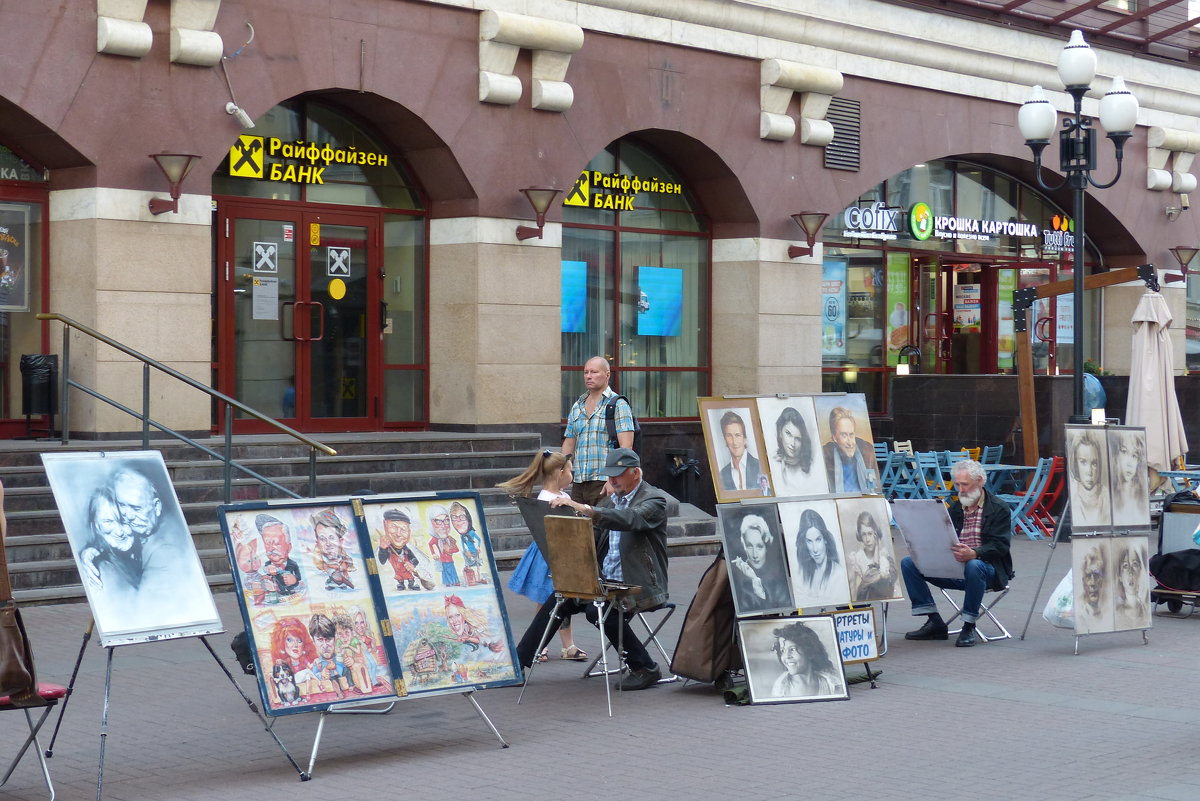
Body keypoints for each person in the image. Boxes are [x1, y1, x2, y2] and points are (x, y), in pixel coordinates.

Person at [516, 448, 669, 691]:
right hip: (605, 582)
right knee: (559, 599)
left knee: (598, 611)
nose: (612, 480)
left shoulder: (654, 500)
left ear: (636, 473)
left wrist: (585, 508)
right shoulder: (610, 500)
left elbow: (630, 519)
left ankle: (645, 667)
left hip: (641, 584)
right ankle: (518, 664)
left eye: (618, 475)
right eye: (610, 475)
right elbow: (591, 537)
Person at [902, 459, 1013, 647]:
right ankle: (934, 620)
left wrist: (975, 553)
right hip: (954, 566)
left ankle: (969, 625)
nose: (960, 490)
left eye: (965, 484)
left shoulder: (998, 508)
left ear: (979, 481)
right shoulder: (956, 507)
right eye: (958, 484)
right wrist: (923, 546)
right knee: (909, 562)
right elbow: (944, 537)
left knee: (974, 565)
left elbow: (1001, 545)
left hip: (987, 569)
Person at [498, 450, 588, 662]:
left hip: (562, 553)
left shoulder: (563, 497)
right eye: (571, 472)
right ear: (561, 473)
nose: (573, 476)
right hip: (549, 554)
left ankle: (565, 645)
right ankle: (540, 644)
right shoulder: (547, 499)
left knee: (559, 600)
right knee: (548, 601)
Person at [562, 356, 635, 506]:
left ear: (607, 374)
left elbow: (626, 447)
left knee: (602, 528)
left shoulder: (618, 404)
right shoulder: (578, 406)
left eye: (594, 372)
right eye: (586, 372)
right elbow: (569, 444)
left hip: (604, 482)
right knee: (580, 528)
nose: (588, 376)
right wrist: (562, 472)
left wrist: (613, 480)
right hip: (579, 482)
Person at [728, 511, 791, 613]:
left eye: (759, 546)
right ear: (744, 545)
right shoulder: (736, 573)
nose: (755, 555)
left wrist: (755, 580)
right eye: (749, 546)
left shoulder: (777, 576)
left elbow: (772, 607)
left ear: (766, 546)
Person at [768, 620, 845, 698]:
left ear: (810, 652)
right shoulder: (781, 688)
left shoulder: (832, 684)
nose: (787, 656)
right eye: (782, 651)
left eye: (792, 649)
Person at [791, 508, 847, 604]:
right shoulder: (802, 574)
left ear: (825, 539)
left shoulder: (838, 575)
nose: (815, 549)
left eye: (818, 539)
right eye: (809, 541)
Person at [822, 406, 879, 493]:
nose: (850, 442)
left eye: (851, 435)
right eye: (844, 435)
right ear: (834, 438)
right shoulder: (826, 457)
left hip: (863, 502)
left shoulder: (867, 453)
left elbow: (875, 488)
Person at [770, 406, 822, 496]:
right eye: (788, 434)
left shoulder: (812, 467)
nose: (793, 444)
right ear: (780, 432)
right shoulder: (773, 463)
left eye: (797, 439)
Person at [847, 510, 898, 602]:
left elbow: (892, 580)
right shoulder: (857, 560)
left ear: (876, 534)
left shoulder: (885, 557)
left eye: (870, 534)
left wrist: (878, 552)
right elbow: (857, 593)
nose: (867, 540)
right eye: (864, 534)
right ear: (859, 536)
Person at [1069, 429, 1110, 528]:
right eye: (1083, 462)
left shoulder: (1107, 497)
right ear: (1075, 463)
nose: (1090, 471)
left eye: (1094, 463)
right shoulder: (1073, 496)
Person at [258, 514, 304, 599]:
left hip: (292, 595)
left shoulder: (292, 564)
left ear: (289, 547)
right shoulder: (268, 564)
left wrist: (294, 579)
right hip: (275, 596)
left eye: (276, 543)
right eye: (267, 544)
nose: (271, 548)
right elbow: (264, 571)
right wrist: (267, 572)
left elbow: (299, 577)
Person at [377, 508, 424, 591]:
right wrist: (382, 548)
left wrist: (411, 564)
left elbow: (415, 559)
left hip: (406, 570)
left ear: (409, 532)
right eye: (393, 527)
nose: (398, 534)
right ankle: (401, 584)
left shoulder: (406, 550)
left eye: (403, 529)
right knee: (399, 577)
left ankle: (411, 584)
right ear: (385, 526)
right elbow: (382, 561)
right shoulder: (388, 549)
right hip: (398, 571)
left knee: (410, 576)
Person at [1109, 431, 1148, 528]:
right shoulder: (1107, 494)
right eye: (1124, 452)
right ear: (1116, 455)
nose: (1129, 463)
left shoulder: (1139, 497)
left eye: (1134, 455)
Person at [718, 409, 763, 492]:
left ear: (744, 438)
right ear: (725, 439)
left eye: (737, 435)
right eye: (729, 436)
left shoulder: (760, 467)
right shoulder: (722, 475)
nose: (734, 442)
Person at [310, 508, 356, 591]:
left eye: (332, 538)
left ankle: (342, 585)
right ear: (317, 543)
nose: (328, 544)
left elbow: (348, 565)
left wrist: (343, 566)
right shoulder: (321, 559)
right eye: (322, 539)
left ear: (340, 541)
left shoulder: (343, 557)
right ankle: (332, 585)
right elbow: (321, 566)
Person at [1075, 540, 1112, 634]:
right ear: (1083, 580)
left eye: (1096, 576)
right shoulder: (1080, 609)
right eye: (1088, 576)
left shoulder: (1112, 607)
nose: (1092, 583)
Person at [1113, 540, 1149, 630]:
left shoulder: (1145, 609)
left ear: (1141, 571)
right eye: (1125, 566)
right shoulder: (1116, 611)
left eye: (1134, 564)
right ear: (1119, 576)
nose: (1130, 572)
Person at [450, 501, 487, 585]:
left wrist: (478, 547)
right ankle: (470, 579)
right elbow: (463, 545)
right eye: (454, 517)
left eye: (462, 517)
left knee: (477, 565)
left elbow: (479, 540)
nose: (458, 520)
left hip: (474, 550)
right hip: (468, 552)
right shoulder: (462, 536)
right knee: (468, 565)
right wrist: (466, 551)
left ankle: (478, 578)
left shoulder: (472, 533)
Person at [427, 505, 461, 586]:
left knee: (452, 570)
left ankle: (455, 581)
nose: (443, 525)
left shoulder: (449, 538)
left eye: (446, 520)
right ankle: (448, 583)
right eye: (438, 521)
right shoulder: (436, 539)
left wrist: (450, 549)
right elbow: (430, 544)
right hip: (443, 560)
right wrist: (434, 553)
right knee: (445, 571)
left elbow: (456, 549)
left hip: (450, 559)